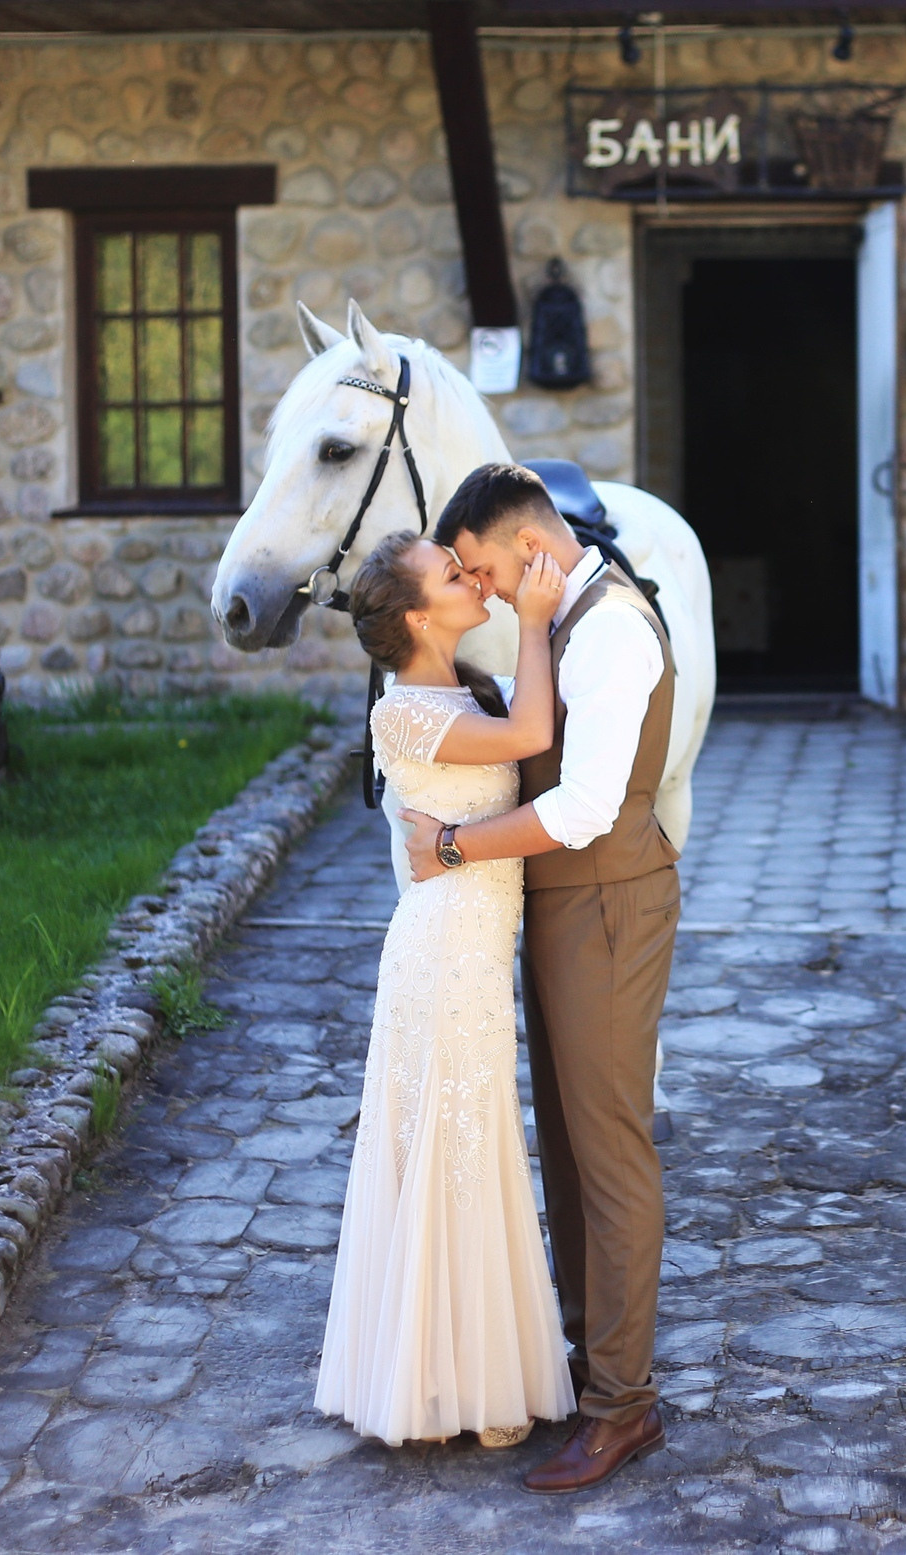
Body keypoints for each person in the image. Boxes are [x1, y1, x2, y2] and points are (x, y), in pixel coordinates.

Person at [400, 462, 680, 1495]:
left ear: (529, 551)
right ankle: (587, 1358)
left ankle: (624, 1406)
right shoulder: (564, 612)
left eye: (478, 568)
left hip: (606, 900)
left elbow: (581, 810)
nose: (476, 589)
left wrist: (459, 848)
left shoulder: (609, 631)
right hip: (563, 907)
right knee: (565, 1140)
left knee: (607, 1147)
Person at [314, 528, 577, 1450]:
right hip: (443, 956)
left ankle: (451, 1369)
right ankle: (446, 1382)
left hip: (471, 948)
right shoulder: (404, 714)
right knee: (459, 1144)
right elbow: (534, 737)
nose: (472, 577)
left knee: (471, 1140)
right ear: (422, 617)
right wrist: (536, 620)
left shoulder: (451, 689)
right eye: (452, 573)